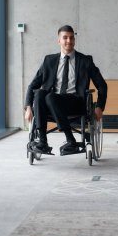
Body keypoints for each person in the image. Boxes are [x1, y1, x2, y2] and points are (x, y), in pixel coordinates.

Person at [24, 25, 107, 155]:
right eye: (65, 38)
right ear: (59, 40)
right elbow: (32, 86)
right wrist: (28, 106)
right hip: (50, 103)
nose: (69, 41)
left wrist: (100, 107)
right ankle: (43, 142)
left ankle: (70, 140)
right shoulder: (49, 60)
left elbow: (102, 85)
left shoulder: (85, 61)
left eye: (71, 38)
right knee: (41, 94)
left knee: (50, 97)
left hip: (74, 103)